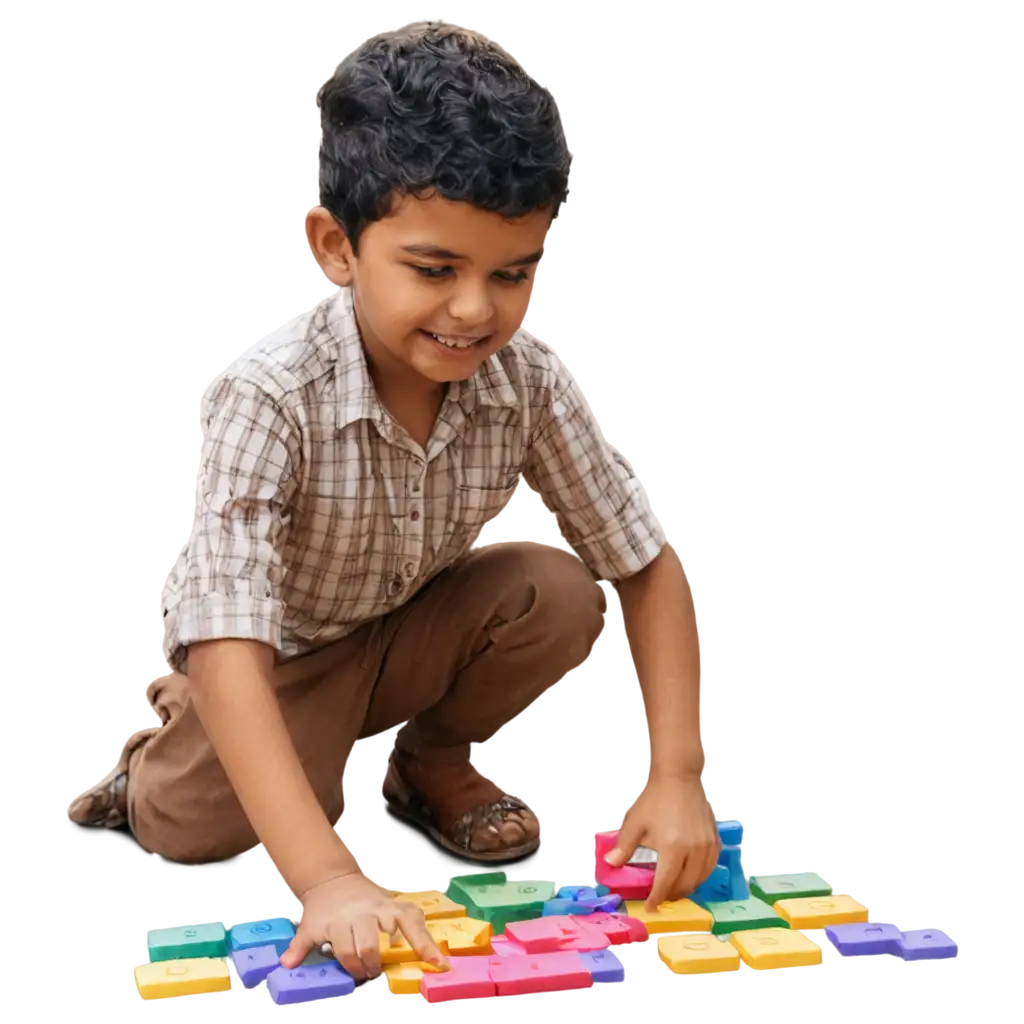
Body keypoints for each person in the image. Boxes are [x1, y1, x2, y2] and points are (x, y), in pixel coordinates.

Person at [63, 19, 719, 983]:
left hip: (406, 626)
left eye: (512, 274)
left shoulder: (529, 378)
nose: (474, 312)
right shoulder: (268, 390)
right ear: (336, 246)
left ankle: (430, 765)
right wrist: (326, 874)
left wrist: (678, 778)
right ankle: (159, 754)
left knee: (554, 588)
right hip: (275, 654)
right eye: (433, 269)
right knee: (201, 830)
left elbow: (642, 558)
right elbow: (228, 632)